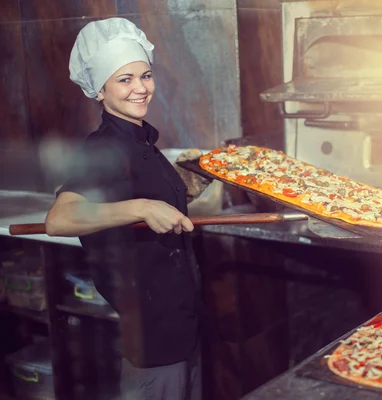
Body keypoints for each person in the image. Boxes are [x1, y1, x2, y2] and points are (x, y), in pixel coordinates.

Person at [45, 17, 208, 400]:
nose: (141, 88)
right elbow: (59, 219)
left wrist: (191, 181)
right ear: (99, 90)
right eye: (125, 80)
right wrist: (141, 207)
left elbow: (145, 197)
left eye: (145, 76)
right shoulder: (103, 148)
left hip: (183, 322)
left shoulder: (142, 143)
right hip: (152, 336)